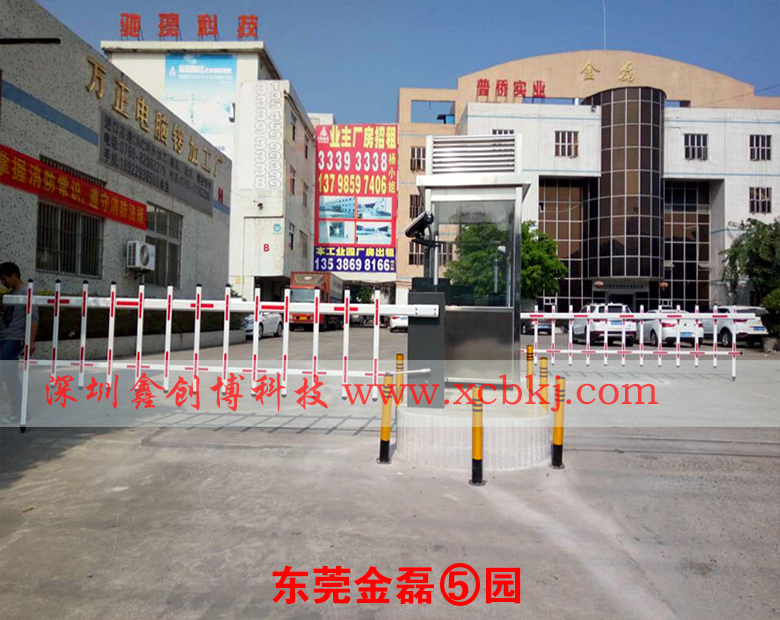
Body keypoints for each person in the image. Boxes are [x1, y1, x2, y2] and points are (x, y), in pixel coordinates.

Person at [0, 262, 38, 424]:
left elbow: (34, 319)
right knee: (11, 377)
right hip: (4, 338)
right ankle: (19, 412)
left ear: (14, 275)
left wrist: (31, 342)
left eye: (4, 279)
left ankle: (19, 411)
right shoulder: (10, 295)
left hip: (15, 339)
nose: (3, 283)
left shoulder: (27, 293)